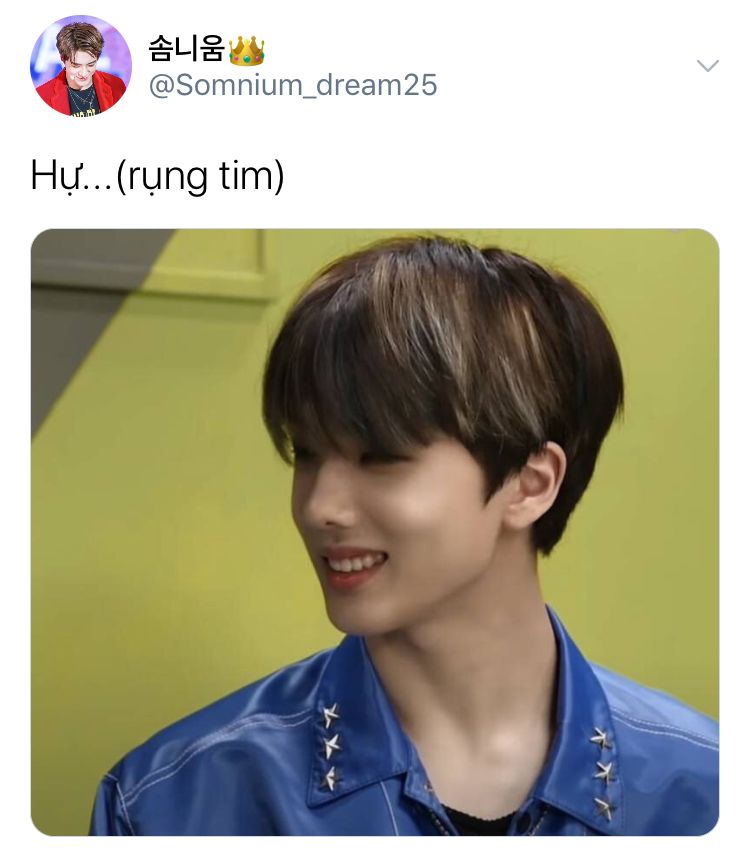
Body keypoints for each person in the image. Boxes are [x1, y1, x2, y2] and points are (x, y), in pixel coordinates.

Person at [89, 236, 718, 835]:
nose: (319, 506)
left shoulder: (708, 791)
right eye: (307, 454)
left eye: (381, 456)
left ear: (530, 484)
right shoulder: (173, 803)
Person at [35, 22, 126, 118]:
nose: (84, 73)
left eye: (90, 64)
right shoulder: (44, 95)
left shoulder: (116, 87)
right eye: (76, 65)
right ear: (63, 60)